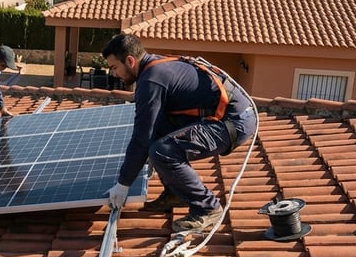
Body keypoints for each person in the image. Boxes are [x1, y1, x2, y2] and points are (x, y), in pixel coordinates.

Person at [103, 33, 257, 233]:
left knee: (162, 151)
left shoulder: (151, 81)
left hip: (233, 122)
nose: (114, 74)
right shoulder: (155, 66)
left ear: (130, 61)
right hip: (227, 114)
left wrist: (124, 184)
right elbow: (149, 130)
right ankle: (175, 193)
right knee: (157, 132)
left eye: (114, 67)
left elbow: (141, 137)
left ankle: (208, 208)